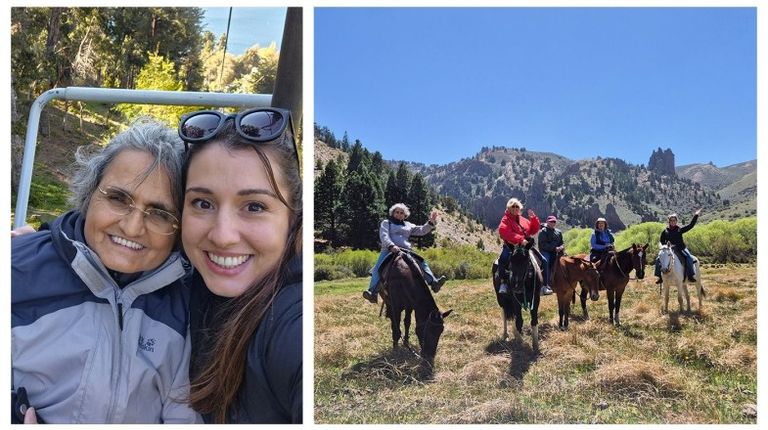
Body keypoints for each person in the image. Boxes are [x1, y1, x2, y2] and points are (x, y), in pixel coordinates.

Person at [11, 119, 201, 423]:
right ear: (89, 194)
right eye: (118, 198)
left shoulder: (192, 303)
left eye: (160, 213)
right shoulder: (16, 270)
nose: (132, 227)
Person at [178, 107, 302, 423]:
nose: (222, 236)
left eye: (254, 206)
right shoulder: (181, 275)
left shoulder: (291, 323)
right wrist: (40, 245)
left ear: (293, 219)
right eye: (202, 203)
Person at [363, 204, 446, 304]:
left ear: (405, 215)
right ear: (393, 213)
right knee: (378, 268)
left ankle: (433, 282)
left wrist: (431, 222)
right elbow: (384, 235)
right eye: (396, 212)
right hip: (388, 250)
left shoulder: (409, 225)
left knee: (421, 261)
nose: (399, 214)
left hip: (406, 250)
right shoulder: (386, 223)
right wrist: (391, 246)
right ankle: (372, 292)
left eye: (401, 213)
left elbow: (422, 230)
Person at [497, 198, 546, 295]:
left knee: (543, 260)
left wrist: (533, 219)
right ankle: (503, 283)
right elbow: (504, 232)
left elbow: (533, 230)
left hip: (526, 247)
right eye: (513, 206)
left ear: (520, 208)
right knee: (502, 260)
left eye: (517, 206)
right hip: (511, 246)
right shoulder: (505, 219)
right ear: (509, 208)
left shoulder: (523, 220)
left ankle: (544, 285)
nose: (515, 208)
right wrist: (520, 239)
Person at [655, 209, 702, 284]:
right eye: (671, 220)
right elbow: (661, 241)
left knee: (689, 258)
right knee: (658, 259)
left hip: (681, 249)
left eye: (674, 220)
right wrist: (662, 246)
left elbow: (691, 225)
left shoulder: (679, 230)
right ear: (669, 221)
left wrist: (696, 215)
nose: (673, 222)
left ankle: (690, 276)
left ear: (676, 221)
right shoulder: (665, 231)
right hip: (669, 250)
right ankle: (660, 277)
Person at [538, 215, 564, 294]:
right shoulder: (543, 232)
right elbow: (543, 245)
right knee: (546, 261)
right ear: (547, 222)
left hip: (557, 251)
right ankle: (546, 284)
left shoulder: (558, 232)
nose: (553, 223)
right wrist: (554, 248)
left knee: (566, 261)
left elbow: (562, 242)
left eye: (554, 221)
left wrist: (561, 247)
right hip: (546, 251)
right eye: (551, 221)